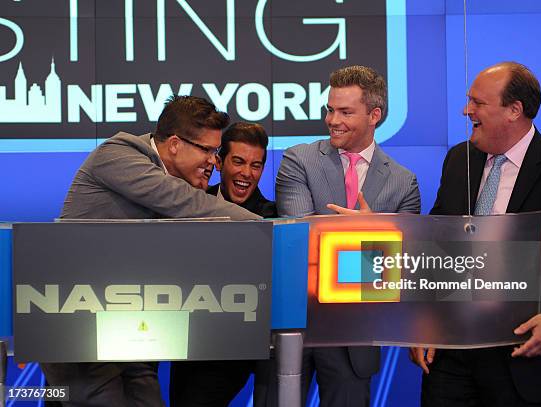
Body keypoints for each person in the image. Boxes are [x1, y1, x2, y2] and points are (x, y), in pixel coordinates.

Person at [411, 62, 541, 406]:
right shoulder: (459, 159)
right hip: (451, 360)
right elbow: (438, 246)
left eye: (477, 103)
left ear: (514, 110)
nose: (466, 110)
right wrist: (424, 323)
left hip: (527, 361)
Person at [42, 95, 259, 407]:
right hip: (76, 325)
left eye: (216, 151)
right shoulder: (117, 156)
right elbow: (186, 203)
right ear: (174, 144)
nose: (214, 161)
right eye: (207, 150)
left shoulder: (173, 175)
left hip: (128, 329)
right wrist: (268, 228)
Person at [275, 65, 421, 406]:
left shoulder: (404, 182)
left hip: (356, 331)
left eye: (345, 112)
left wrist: (375, 233)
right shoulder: (299, 159)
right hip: (296, 319)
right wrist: (372, 237)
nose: (332, 119)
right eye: (330, 109)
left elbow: (402, 266)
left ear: (374, 115)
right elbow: (298, 238)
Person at [170, 122, 276, 406]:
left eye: (256, 165)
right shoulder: (188, 202)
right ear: (218, 161)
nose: (246, 173)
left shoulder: (275, 216)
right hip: (198, 342)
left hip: (257, 339)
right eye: (238, 161)